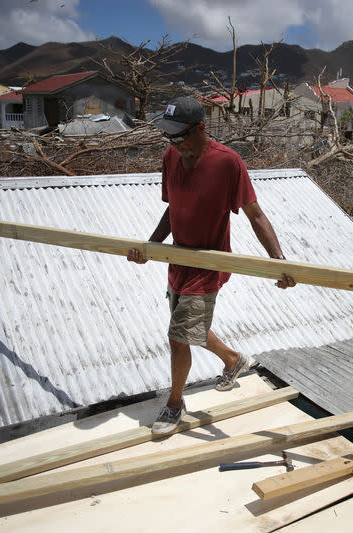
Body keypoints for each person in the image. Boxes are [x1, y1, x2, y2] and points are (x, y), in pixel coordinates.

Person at [127, 96, 295, 436]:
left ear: (201, 128)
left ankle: (174, 404)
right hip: (179, 262)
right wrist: (151, 246)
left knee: (178, 336)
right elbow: (172, 210)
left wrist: (279, 261)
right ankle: (233, 360)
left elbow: (256, 214)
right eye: (168, 138)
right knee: (189, 326)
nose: (173, 145)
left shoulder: (228, 163)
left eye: (179, 137)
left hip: (208, 265)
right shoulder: (171, 157)